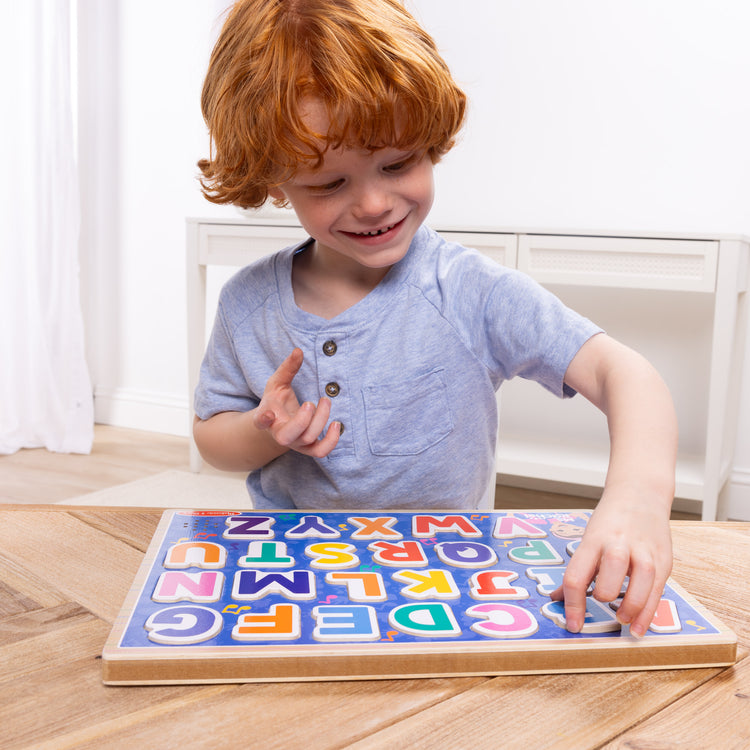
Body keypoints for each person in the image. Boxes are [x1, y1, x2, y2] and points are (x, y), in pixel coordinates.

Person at [193, 0, 678, 639]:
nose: (373, 202)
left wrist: (637, 501)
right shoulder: (247, 304)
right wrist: (264, 431)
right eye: (328, 183)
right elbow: (210, 436)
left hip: (448, 587)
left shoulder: (468, 291)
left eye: (398, 164)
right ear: (276, 181)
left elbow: (626, 372)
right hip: (293, 581)